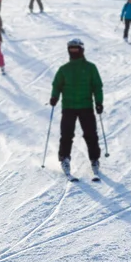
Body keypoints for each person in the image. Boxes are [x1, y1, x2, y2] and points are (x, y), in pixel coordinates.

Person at [49, 39, 103, 177]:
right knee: (66, 134)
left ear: (81, 50)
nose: (73, 52)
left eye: (76, 49)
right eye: (71, 49)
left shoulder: (91, 68)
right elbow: (57, 85)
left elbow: (97, 86)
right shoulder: (64, 69)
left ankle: (94, 159)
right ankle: (64, 158)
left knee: (90, 134)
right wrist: (54, 96)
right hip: (69, 106)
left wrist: (99, 102)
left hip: (86, 106)